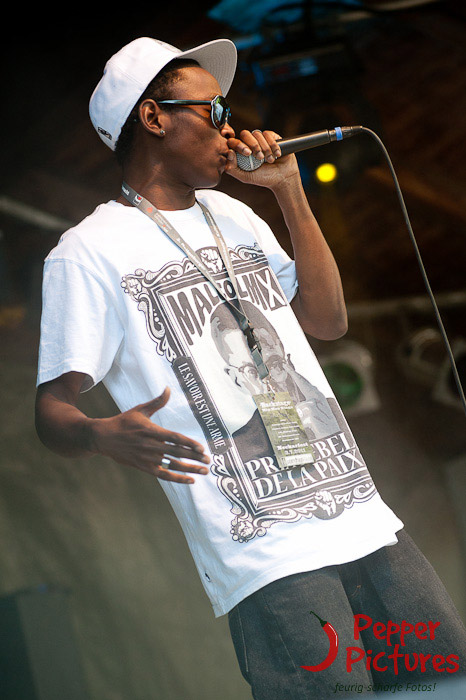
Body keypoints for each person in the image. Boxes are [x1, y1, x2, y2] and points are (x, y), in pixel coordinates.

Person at [35, 36, 466, 698]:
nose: (230, 127)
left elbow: (329, 322)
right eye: (213, 110)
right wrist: (98, 433)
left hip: (365, 522)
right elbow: (51, 411)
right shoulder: (87, 252)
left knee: (445, 683)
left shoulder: (235, 215)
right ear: (153, 118)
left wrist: (290, 191)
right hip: (267, 556)